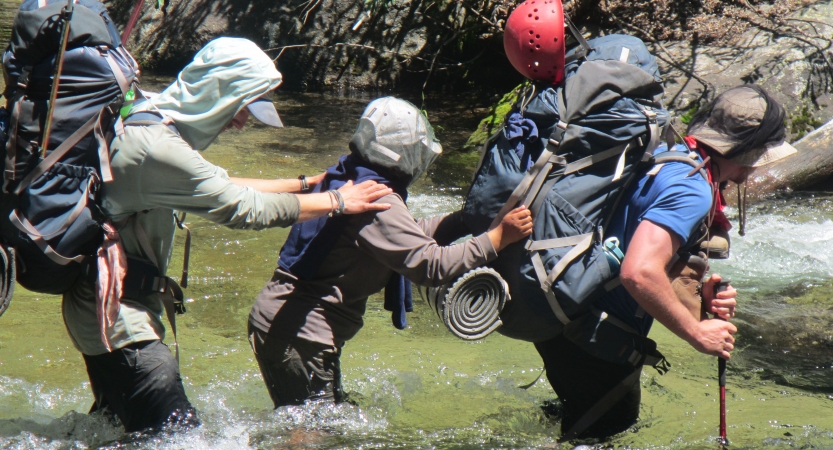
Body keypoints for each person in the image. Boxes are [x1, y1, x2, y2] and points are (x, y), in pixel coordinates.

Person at [61, 37, 394, 432]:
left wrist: (307, 184)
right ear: (217, 92)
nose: (242, 122)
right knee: (180, 434)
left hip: (105, 310)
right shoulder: (155, 148)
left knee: (119, 431)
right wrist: (337, 201)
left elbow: (220, 184)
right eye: (241, 108)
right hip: (117, 320)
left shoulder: (149, 114)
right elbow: (240, 208)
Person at [533, 85, 797, 439]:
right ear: (747, 150)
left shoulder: (668, 155)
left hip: (565, 317)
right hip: (596, 340)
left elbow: (628, 239)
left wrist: (698, 294)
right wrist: (696, 334)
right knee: (603, 432)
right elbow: (639, 272)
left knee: (573, 423)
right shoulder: (693, 188)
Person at [247, 96, 533, 407]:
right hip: (300, 335)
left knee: (319, 426)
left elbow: (408, 235)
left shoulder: (351, 176)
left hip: (287, 326)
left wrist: (463, 221)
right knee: (310, 437)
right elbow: (430, 266)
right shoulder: (376, 200)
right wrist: (497, 238)